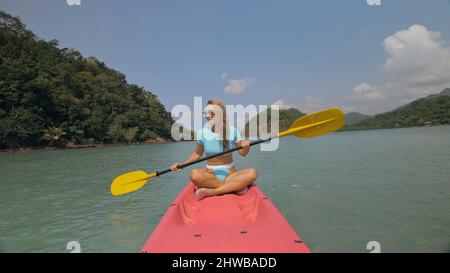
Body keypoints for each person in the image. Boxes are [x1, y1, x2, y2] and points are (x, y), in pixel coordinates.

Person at [171, 99, 258, 200]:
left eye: (211, 113)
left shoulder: (233, 131)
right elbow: (197, 154)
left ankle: (213, 191)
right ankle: (234, 187)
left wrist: (246, 147)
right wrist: (182, 165)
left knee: (253, 173)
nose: (207, 116)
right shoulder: (202, 133)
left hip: (230, 174)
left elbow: (243, 153)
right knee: (194, 174)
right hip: (211, 175)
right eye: (206, 113)